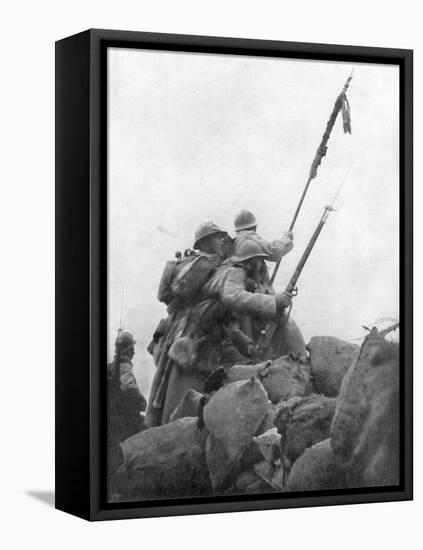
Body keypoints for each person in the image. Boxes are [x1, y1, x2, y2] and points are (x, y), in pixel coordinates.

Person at [146, 221, 233, 427]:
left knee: (166, 382)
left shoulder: (188, 262)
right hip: (190, 331)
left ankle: (160, 422)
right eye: (217, 238)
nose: (222, 242)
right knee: (185, 383)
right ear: (206, 242)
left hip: (176, 328)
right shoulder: (208, 263)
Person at [107, 330, 147, 448]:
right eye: (132, 349)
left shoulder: (110, 366)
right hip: (125, 419)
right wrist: (141, 401)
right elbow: (129, 387)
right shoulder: (124, 366)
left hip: (113, 417)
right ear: (128, 350)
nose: (134, 352)